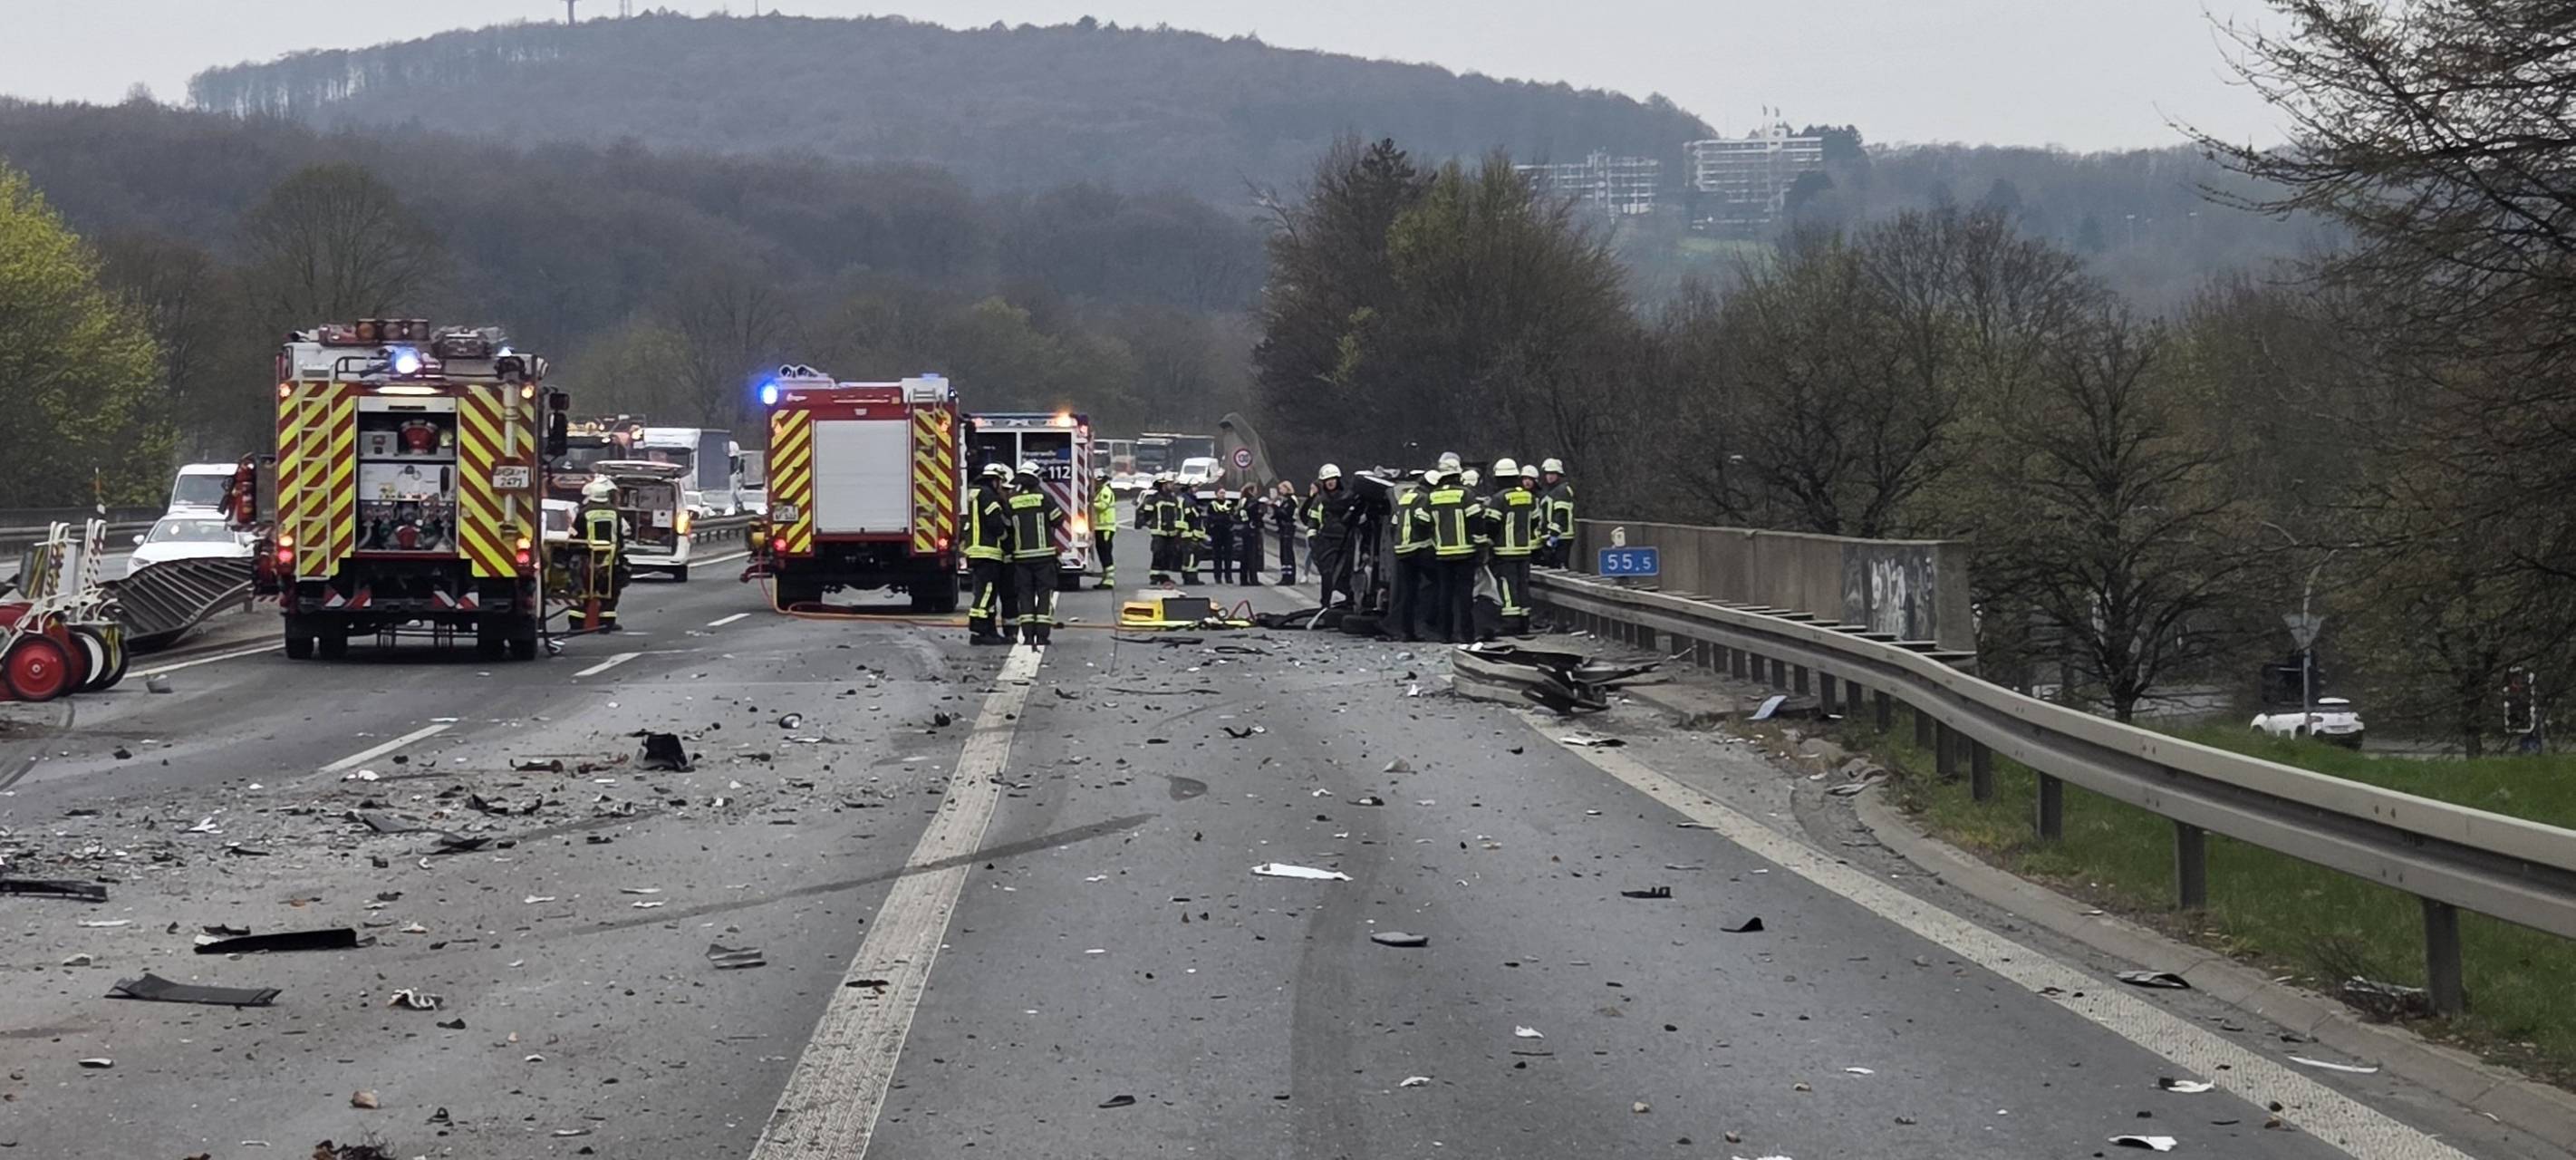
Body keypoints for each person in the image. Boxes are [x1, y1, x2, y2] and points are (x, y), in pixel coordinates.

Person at [1413, 467, 1478, 643]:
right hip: (1466, 553)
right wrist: (1480, 543)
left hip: (1442, 554)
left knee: (1445, 594)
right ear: (1458, 476)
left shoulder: (1433, 496)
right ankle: (1467, 635)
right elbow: (1476, 520)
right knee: (1465, 595)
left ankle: (1445, 634)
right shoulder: (1466, 494)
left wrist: (1432, 540)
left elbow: (1420, 523)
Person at [1008, 461, 1065, 645]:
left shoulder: (1012, 499)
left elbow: (1007, 525)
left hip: (1021, 557)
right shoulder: (1044, 497)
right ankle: (1042, 636)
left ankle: (1027, 636)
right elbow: (1057, 520)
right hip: (1044, 556)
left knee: (1025, 595)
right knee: (1044, 594)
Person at [1484, 463, 1540, 636]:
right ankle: (1524, 622)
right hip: (1524, 549)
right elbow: (1535, 520)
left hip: (1504, 550)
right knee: (1523, 585)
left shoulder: (1499, 498)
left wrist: (1489, 540)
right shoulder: (1528, 497)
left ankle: (1511, 623)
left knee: (1507, 585)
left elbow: (1492, 523)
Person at [964, 463, 1015, 644]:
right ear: (995, 480)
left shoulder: (973, 492)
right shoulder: (988, 496)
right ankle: (979, 632)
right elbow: (994, 523)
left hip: (976, 550)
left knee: (988, 592)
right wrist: (1005, 538)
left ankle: (990, 631)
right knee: (986, 593)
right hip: (988, 550)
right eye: (1001, 482)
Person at [574, 476, 629, 632]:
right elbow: (619, 535)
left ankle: (576, 625)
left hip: (587, 557)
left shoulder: (584, 513)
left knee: (582, 591)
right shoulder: (615, 513)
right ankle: (606, 625)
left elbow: (577, 533)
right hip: (610, 558)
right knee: (610, 592)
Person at [1385, 469, 1434, 642]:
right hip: (1419, 548)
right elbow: (1423, 521)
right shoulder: (1425, 498)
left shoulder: (1406, 496)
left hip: (1402, 550)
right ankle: (1429, 623)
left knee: (1409, 591)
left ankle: (1407, 631)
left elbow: (1393, 523)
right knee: (1438, 582)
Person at [1304, 464, 1359, 607]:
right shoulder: (1319, 500)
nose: (1330, 482)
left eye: (1333, 479)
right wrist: (1312, 537)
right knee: (1327, 574)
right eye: (1327, 480)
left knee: (1346, 573)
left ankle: (1350, 601)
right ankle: (1325, 603)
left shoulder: (1348, 498)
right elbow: (1313, 521)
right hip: (1326, 541)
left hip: (1345, 541)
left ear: (1338, 480)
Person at [1140, 475, 1182, 584]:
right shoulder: (1154, 499)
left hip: (1171, 533)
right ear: (1163, 484)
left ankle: (1163, 576)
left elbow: (1177, 514)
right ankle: (1154, 576)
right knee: (1158, 553)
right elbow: (1146, 515)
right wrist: (1151, 525)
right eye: (1170, 483)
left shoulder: (1173, 499)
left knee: (1168, 554)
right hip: (1158, 532)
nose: (1172, 485)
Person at [1539, 457, 1575, 568]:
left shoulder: (1562, 490)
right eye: (1547, 473)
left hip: (1561, 537)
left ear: (1559, 474)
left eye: (1553, 473)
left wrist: (1554, 534)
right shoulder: (1552, 491)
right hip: (1553, 536)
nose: (1549, 476)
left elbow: (1561, 514)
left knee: (1560, 567)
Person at [1202, 484, 1239, 583]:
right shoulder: (1212, 504)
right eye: (1221, 493)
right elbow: (1210, 518)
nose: (1223, 495)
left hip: (1228, 533)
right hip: (1217, 533)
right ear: (1216, 494)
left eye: (1224, 493)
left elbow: (1233, 516)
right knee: (1217, 556)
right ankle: (1217, 577)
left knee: (1228, 556)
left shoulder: (1229, 503)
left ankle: (1228, 577)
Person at [1089, 469, 1119, 589]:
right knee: (1102, 553)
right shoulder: (1099, 491)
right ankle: (1105, 578)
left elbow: (1102, 506)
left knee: (1106, 553)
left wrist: (1090, 502)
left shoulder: (1106, 491)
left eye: (1095, 481)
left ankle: (1109, 580)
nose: (1094, 484)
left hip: (1106, 528)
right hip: (1100, 528)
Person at [1233, 483, 1267, 584]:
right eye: (1255, 490)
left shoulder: (1242, 502)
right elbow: (1257, 515)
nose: (1256, 492)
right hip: (1252, 529)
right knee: (1252, 555)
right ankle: (1253, 579)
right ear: (1250, 491)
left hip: (1244, 528)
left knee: (1245, 556)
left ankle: (1243, 579)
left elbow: (1237, 515)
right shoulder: (1252, 502)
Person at [1271, 479, 1299, 584]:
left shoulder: (1291, 500)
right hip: (1283, 528)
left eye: (1281, 488)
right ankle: (1285, 576)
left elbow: (1285, 513)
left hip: (1288, 528)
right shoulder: (1285, 500)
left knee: (1287, 553)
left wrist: (1275, 507)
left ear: (1287, 488)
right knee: (1284, 553)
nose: (1280, 491)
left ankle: (1289, 577)